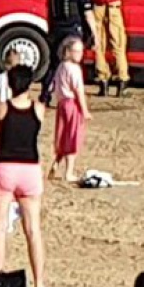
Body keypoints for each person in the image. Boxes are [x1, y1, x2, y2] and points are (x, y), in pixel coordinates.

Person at [0, 66, 48, 287]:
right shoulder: (39, 109)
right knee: (33, 230)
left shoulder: (1, 109)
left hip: (4, 167)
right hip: (29, 169)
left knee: (0, 228)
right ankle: (39, 281)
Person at [80, 0, 134, 97]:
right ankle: (122, 80)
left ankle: (103, 80)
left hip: (97, 6)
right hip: (114, 6)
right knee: (118, 43)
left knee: (99, 43)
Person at [42, 0, 97, 105]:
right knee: (72, 65)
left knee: (53, 64)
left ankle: (45, 94)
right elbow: (88, 14)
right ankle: (72, 97)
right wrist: (95, 35)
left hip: (56, 30)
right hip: (72, 31)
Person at [49, 36, 90, 183]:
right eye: (76, 51)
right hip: (72, 104)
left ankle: (56, 164)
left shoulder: (61, 66)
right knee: (73, 137)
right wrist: (84, 110)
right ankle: (69, 172)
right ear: (69, 51)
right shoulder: (74, 69)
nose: (80, 54)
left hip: (61, 104)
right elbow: (78, 90)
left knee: (63, 135)